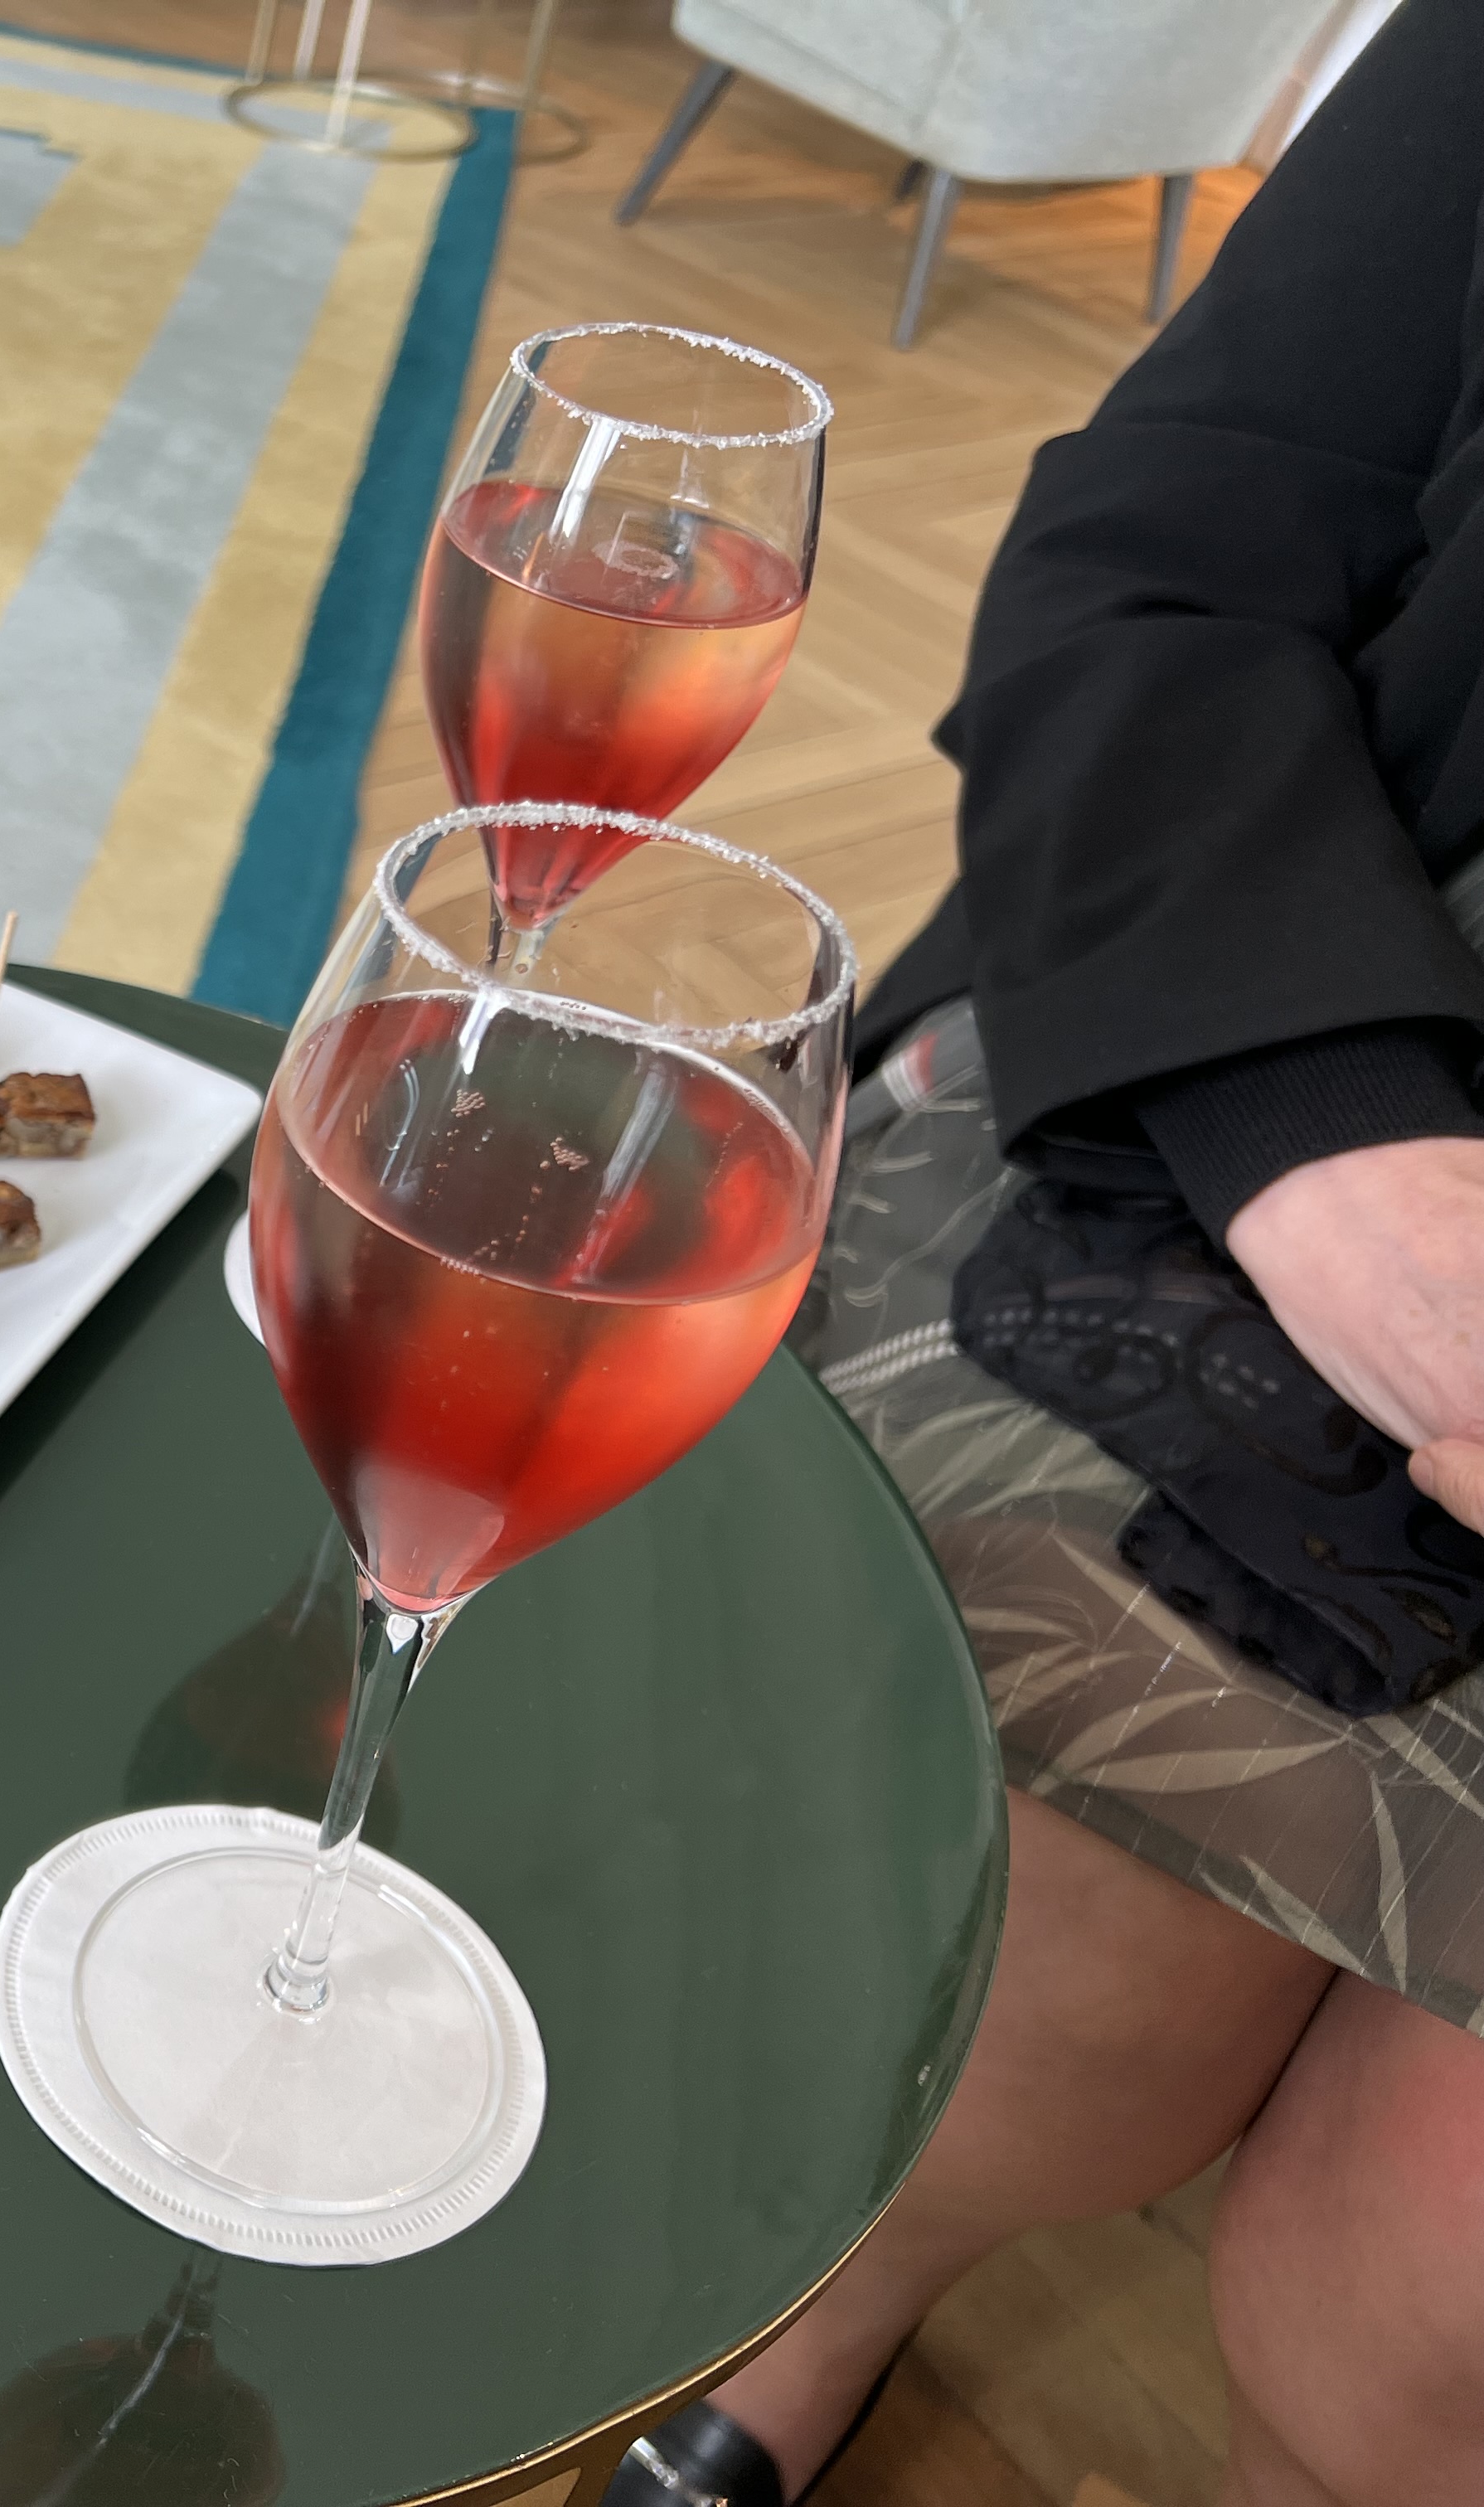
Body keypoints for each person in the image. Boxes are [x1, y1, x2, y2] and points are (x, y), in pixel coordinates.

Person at [605, 4, 1484, 2502]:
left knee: (1416, 2328)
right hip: (1314, 1009)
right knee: (1013, 1902)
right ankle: (830, 2302)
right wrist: (1332, 1149)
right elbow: (1175, 540)